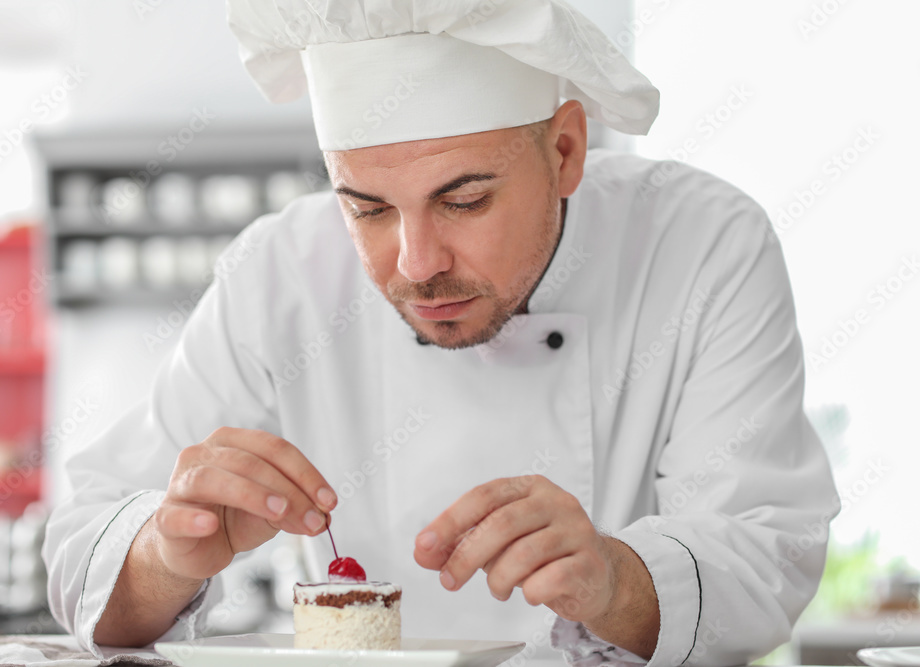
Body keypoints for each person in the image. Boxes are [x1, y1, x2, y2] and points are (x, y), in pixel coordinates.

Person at [43, 1, 838, 665]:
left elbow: (766, 553)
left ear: (565, 150)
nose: (417, 264)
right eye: (367, 208)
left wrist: (617, 579)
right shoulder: (279, 271)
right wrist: (164, 553)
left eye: (464, 201)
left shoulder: (700, 244)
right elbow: (82, 551)